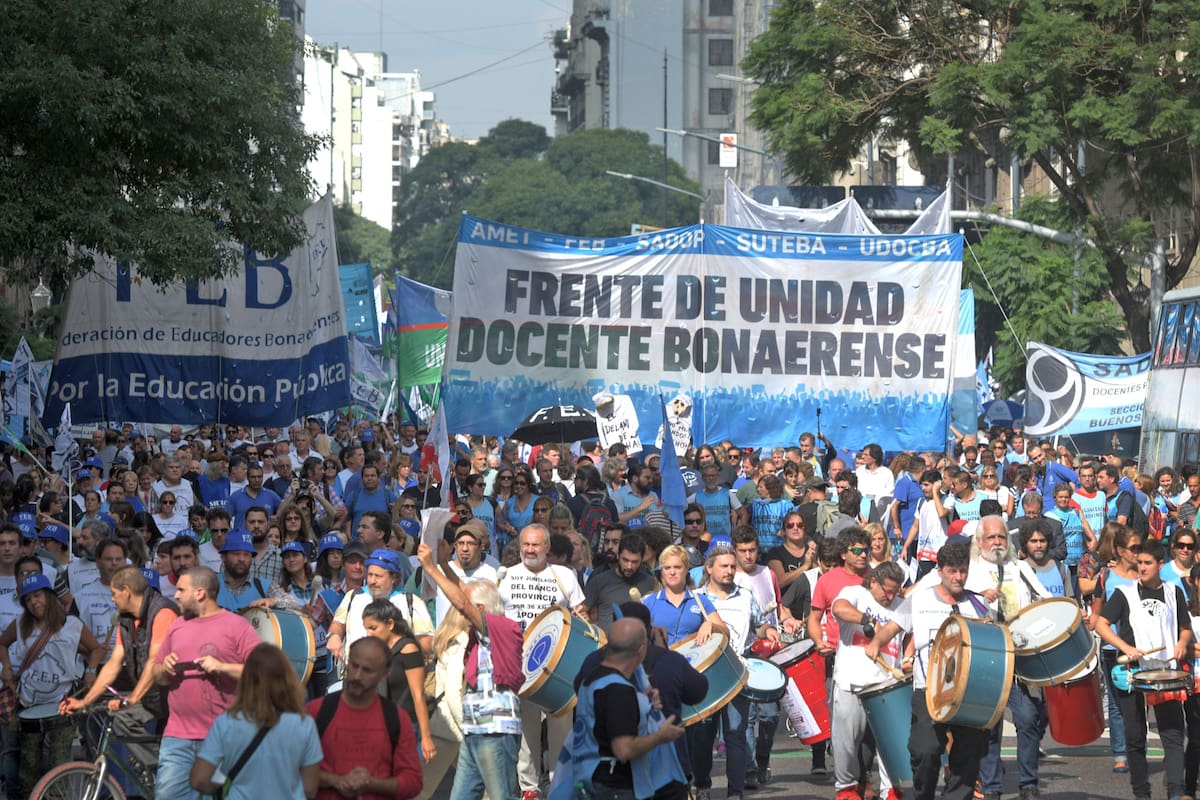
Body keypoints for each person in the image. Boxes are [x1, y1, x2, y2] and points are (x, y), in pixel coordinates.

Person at [869, 540, 993, 800]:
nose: (958, 577)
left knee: (969, 754)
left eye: (963, 570)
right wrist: (876, 643)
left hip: (968, 694)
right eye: (952, 571)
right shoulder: (918, 600)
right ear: (939, 571)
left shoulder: (979, 604)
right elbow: (891, 629)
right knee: (924, 751)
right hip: (929, 691)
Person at [417, 541, 525, 800]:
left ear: (478, 610)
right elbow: (464, 595)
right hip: (474, 730)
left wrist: (430, 568)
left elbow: (463, 603)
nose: (457, 609)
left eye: (463, 606)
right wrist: (444, 563)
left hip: (495, 731)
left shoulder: (502, 627)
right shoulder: (480, 632)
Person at [152, 566, 262, 800]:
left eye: (181, 590)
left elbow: (263, 672)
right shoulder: (177, 625)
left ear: (200, 592)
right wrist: (165, 668)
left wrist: (221, 666)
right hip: (177, 737)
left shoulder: (237, 625)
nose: (176, 595)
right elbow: (157, 675)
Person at [1094, 542, 1191, 800]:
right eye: (1139, 563)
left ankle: (1176, 792)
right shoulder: (1124, 593)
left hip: (1165, 672)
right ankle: (1142, 793)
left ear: (1160, 565)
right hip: (1133, 673)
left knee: (1172, 734)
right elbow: (1101, 624)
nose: (1142, 567)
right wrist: (1125, 646)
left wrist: (1182, 643)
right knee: (1136, 736)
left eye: (1148, 563)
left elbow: (1184, 626)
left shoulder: (1174, 592)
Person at [499, 523, 586, 797]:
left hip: (558, 665)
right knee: (527, 731)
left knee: (561, 728)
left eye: (535, 545)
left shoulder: (565, 575)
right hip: (520, 664)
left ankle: (560, 783)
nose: (529, 549)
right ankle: (529, 789)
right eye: (526, 544)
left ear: (547, 547)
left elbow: (581, 614)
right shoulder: (505, 576)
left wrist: (582, 616)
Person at [968, 517, 1052, 800]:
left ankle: (1029, 783)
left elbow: (1043, 598)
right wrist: (979, 596)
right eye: (991, 538)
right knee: (989, 724)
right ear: (980, 542)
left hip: (1019, 654)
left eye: (1001, 537)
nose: (997, 543)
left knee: (1028, 718)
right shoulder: (971, 571)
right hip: (987, 656)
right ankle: (991, 786)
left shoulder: (1021, 568)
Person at [0, 571, 103, 794]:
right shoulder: (20, 624)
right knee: (29, 769)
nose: (33, 602)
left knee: (58, 767)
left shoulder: (72, 624)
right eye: (28, 599)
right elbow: (2, 644)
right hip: (29, 705)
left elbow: (96, 648)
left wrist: (92, 670)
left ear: (49, 595)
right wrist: (6, 667)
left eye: (37, 595)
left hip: (62, 704)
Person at [691, 544, 780, 800]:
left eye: (732, 566)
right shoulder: (696, 598)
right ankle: (703, 784)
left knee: (736, 735)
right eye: (724, 566)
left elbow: (758, 626)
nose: (730, 571)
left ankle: (735, 792)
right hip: (706, 676)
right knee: (703, 736)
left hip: (737, 673)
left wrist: (767, 631)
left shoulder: (746, 595)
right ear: (709, 568)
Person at [569, 617, 688, 800]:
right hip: (614, 787)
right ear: (640, 651)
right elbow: (623, 749)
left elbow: (602, 721)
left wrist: (643, 704)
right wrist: (660, 736)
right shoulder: (618, 690)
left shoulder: (591, 680)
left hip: (589, 779)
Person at [189, 642, 322, 799]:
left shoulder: (226, 722)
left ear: (247, 680)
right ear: (287, 680)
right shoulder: (303, 724)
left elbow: (199, 780)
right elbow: (311, 788)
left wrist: (218, 786)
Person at [306, 637, 423, 800]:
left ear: (384, 675)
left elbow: (413, 782)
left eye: (367, 670)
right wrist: (335, 781)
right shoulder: (316, 712)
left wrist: (371, 784)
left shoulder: (397, 718)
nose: (357, 675)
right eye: (354, 666)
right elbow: (292, 768)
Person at [829, 562, 909, 800]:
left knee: (890, 741)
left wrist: (910, 656)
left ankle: (892, 789)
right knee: (846, 741)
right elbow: (838, 609)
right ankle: (846, 787)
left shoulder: (903, 606)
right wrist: (866, 619)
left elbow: (910, 634)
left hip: (886, 683)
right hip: (851, 680)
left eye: (896, 591)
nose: (891, 596)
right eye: (887, 590)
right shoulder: (855, 593)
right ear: (873, 581)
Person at [362, 599, 436, 763]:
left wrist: (426, 737)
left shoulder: (408, 649)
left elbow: (418, 695)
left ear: (390, 624)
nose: (369, 634)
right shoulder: (380, 649)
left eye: (373, 628)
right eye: (366, 629)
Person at [583, 532, 659, 631]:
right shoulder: (599, 581)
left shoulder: (651, 583)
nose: (629, 566)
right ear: (618, 555)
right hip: (607, 643)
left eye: (635, 562)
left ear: (642, 559)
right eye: (625, 560)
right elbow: (583, 611)